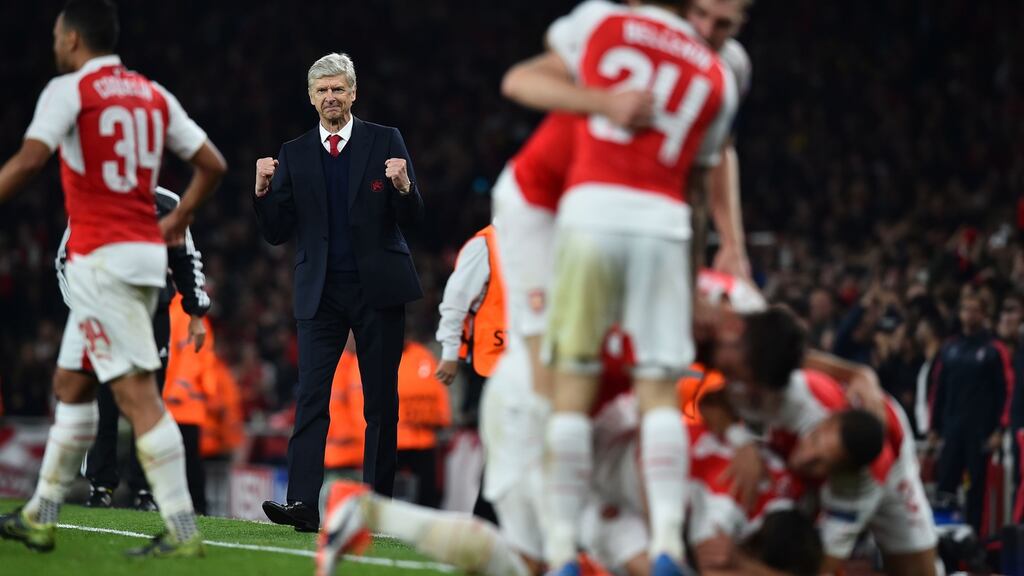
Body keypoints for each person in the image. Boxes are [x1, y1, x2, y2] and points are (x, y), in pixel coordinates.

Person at [501, 1, 738, 572]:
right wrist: (694, 277)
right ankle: (666, 546)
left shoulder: (600, 21)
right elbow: (697, 188)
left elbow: (519, 80)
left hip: (589, 211)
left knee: (570, 388)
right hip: (658, 223)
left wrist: (604, 102)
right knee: (660, 391)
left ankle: (560, 550)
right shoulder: (719, 75)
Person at [0, 0, 226, 556]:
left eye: (57, 35)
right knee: (71, 385)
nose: (55, 44)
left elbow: (30, 161)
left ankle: (181, 526)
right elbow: (214, 165)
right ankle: (42, 514)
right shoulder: (153, 94)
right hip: (140, 259)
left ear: (73, 39)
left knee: (137, 397)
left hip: (101, 259)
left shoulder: (69, 90)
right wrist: (178, 219)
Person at [254, 52, 425, 531]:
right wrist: (263, 192)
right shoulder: (294, 152)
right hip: (320, 292)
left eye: (338, 89)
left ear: (353, 93)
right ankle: (303, 504)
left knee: (380, 403)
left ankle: (376, 509)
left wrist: (405, 186)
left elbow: (415, 219)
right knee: (311, 397)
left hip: (379, 289)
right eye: (322, 90)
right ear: (311, 98)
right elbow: (276, 232)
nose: (331, 97)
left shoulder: (386, 141)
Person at [710, 307, 939, 576]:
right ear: (825, 422)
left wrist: (743, 567)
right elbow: (716, 400)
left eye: (820, 463)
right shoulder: (795, 396)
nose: (804, 458)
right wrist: (742, 442)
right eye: (814, 442)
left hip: (893, 464)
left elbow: (820, 570)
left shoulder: (856, 487)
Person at [57, 186, 209, 512]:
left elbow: (186, 258)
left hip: (154, 312)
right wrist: (85, 308)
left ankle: (146, 490)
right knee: (106, 400)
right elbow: (64, 259)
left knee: (150, 402)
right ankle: (101, 485)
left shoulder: (168, 202)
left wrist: (195, 312)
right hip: (105, 311)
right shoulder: (94, 194)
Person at [930, 292, 1014, 533]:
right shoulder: (949, 348)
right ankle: (945, 541)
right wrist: (934, 427)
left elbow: (1006, 391)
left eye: (975, 310)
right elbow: (938, 389)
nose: (969, 314)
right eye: (965, 309)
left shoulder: (994, 349)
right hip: (952, 429)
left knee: (976, 489)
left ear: (984, 314)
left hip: (980, 433)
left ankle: (974, 542)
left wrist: (1000, 429)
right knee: (945, 486)